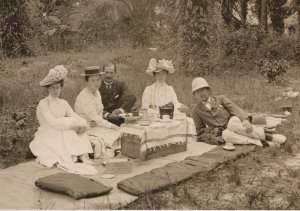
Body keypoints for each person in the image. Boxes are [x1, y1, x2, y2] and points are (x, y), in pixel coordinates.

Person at [191, 77, 286, 146]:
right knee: (227, 137)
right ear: (195, 95)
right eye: (197, 91)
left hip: (234, 122)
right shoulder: (196, 110)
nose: (201, 93)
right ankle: (263, 143)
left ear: (208, 90)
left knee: (233, 125)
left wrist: (245, 120)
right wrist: (213, 135)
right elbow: (200, 132)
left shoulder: (221, 98)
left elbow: (235, 109)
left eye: (203, 89)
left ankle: (269, 137)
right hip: (223, 131)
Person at [29, 65, 94, 168]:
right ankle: (72, 154)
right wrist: (71, 127)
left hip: (60, 128)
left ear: (61, 87)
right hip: (47, 131)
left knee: (75, 124)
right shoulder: (43, 103)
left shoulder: (63, 103)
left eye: (58, 87)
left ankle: (83, 154)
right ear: (48, 89)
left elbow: (74, 115)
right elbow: (52, 122)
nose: (56, 91)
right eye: (53, 88)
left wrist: (83, 125)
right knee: (67, 129)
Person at [75, 66, 120, 153]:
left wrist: (98, 121)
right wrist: (112, 125)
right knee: (108, 137)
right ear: (87, 82)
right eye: (92, 80)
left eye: (98, 80)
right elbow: (94, 116)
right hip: (85, 128)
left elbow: (99, 112)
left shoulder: (97, 92)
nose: (96, 83)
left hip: (96, 125)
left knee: (117, 135)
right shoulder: (84, 96)